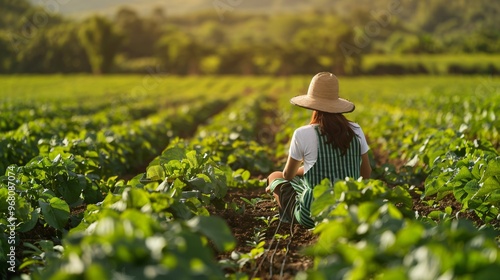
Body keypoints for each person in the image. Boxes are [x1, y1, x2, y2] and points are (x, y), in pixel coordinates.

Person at [266, 72, 371, 229]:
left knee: (275, 176)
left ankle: (287, 214)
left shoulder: (302, 133)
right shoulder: (356, 130)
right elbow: (366, 173)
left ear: (312, 104)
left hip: (313, 215)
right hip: (349, 211)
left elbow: (288, 175)